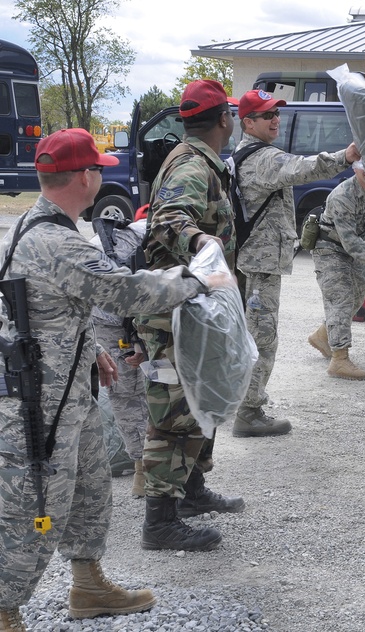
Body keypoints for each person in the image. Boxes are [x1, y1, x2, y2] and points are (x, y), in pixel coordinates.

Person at [0, 129, 231, 628]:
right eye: (99, 168)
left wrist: (93, 349)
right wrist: (198, 279)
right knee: (35, 507)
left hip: (66, 391)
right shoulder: (54, 241)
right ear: (84, 177)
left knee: (89, 491)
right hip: (40, 406)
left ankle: (87, 586)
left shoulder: (41, 228)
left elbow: (46, 311)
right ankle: (4, 609)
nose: (102, 175)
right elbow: (127, 293)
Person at [135, 79, 246, 552]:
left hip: (196, 308)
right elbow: (167, 219)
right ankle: (159, 521)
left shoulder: (204, 162)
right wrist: (199, 240)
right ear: (224, 119)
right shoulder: (190, 165)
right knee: (174, 412)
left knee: (204, 395)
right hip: (174, 312)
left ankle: (191, 492)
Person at [234, 88, 359, 437]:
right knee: (262, 338)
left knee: (255, 333)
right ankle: (249, 411)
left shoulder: (250, 153)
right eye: (267, 115)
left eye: (277, 113)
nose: (275, 119)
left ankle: (247, 403)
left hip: (255, 260)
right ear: (248, 122)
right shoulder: (263, 157)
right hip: (259, 265)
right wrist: (344, 157)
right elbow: (301, 168)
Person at [312, 161, 365, 380]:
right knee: (340, 299)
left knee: (357, 299)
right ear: (354, 168)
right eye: (364, 166)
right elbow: (349, 239)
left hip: (356, 251)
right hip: (329, 249)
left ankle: (323, 336)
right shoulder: (342, 195)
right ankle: (339, 360)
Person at [89, 217, 150, 498]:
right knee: (131, 394)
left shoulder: (130, 234)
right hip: (110, 318)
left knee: (126, 395)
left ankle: (144, 469)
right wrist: (140, 339)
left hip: (104, 316)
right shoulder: (155, 238)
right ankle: (144, 471)